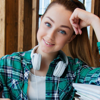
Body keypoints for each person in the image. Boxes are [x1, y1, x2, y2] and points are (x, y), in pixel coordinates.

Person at [0, 0, 100, 100]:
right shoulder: (8, 64)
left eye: (62, 31)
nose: (50, 36)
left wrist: (95, 21)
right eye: (48, 24)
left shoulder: (75, 70)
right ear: (41, 20)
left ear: (70, 38)